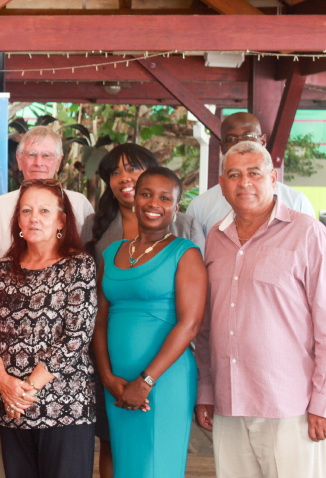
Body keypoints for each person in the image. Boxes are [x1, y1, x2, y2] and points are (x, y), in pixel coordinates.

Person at [195, 142, 326, 478]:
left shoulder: (308, 234)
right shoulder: (216, 239)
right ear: (222, 185)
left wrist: (323, 402)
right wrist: (205, 391)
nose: (243, 182)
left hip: (291, 406)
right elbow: (206, 327)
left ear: (273, 178)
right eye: (234, 175)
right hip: (229, 401)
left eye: (253, 173)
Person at [0, 125, 94, 478]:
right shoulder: (0, 270)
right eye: (27, 212)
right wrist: (7, 385)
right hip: (11, 404)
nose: (34, 219)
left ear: (62, 219)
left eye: (44, 212)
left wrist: (28, 388)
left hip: (64, 405)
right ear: (18, 221)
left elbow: (75, 336)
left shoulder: (79, 265)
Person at [83, 144, 203, 478]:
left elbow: (190, 324)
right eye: (146, 194)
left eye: (165, 198)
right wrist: (108, 378)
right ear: (135, 198)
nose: (153, 204)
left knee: (155, 465)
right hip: (116, 381)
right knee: (124, 462)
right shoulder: (112, 253)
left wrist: (145, 381)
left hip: (163, 380)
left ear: (176, 208)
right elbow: (100, 321)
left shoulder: (185, 252)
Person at [186, 112, 315, 237]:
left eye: (249, 136)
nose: (241, 143)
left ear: (263, 141)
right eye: (231, 139)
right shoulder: (200, 207)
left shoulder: (297, 202)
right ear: (222, 146)